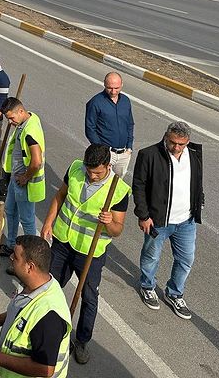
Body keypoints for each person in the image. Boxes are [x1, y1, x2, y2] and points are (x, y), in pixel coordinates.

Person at [41, 144, 130, 365]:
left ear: (108, 166)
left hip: (90, 252)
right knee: (48, 286)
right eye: (89, 171)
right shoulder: (75, 168)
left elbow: (118, 230)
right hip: (62, 242)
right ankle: (46, 326)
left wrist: (109, 224)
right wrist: (49, 222)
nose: (91, 175)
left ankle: (81, 341)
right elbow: (60, 196)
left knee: (89, 297)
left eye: (97, 172)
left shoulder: (118, 190)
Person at [133, 121, 204, 320]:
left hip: (186, 221)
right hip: (158, 221)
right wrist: (143, 215)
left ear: (187, 142)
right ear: (166, 136)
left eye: (181, 144)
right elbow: (138, 186)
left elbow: (197, 182)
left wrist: (199, 202)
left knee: (186, 260)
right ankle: (147, 286)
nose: (176, 147)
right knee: (151, 256)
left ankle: (175, 293)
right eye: (172, 142)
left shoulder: (195, 155)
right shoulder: (149, 155)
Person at [0, 235, 72, 378]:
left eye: (16, 256)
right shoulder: (34, 284)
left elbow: (45, 369)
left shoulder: (49, 316)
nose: (11, 257)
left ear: (30, 267)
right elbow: (21, 312)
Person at [0, 98, 46, 273]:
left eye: (11, 118)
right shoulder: (28, 120)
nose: (10, 122)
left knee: (27, 221)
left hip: (25, 182)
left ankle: (30, 259)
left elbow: (36, 161)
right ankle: (12, 246)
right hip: (16, 179)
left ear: (20, 111)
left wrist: (25, 177)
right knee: (10, 211)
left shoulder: (30, 131)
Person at [85, 72, 134, 177]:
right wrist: (102, 151)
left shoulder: (126, 101)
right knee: (102, 181)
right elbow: (90, 128)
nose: (113, 91)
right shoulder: (95, 102)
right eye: (109, 88)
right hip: (107, 153)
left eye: (116, 88)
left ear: (122, 85)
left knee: (117, 183)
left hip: (124, 153)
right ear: (104, 84)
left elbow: (130, 123)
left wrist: (129, 146)